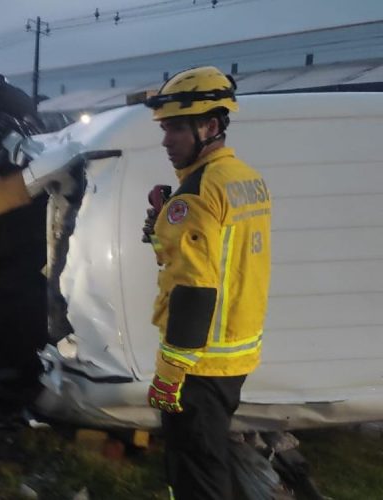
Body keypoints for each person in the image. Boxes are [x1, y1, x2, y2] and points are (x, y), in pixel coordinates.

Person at [142, 66, 272, 500]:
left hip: (199, 364)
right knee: (210, 457)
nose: (165, 140)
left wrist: (169, 374)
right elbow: (223, 261)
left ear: (211, 126)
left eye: (176, 128)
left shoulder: (196, 193)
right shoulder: (246, 180)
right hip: (234, 354)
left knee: (196, 471)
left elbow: (195, 288)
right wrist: (164, 235)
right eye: (165, 129)